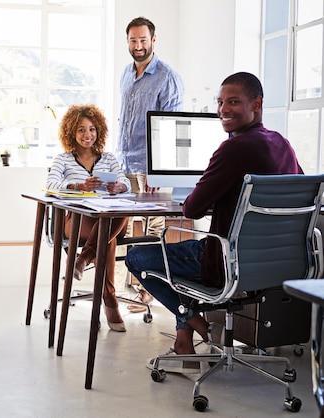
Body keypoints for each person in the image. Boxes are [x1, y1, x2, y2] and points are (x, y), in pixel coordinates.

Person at [125, 72, 303, 373]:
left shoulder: (233, 148)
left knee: (138, 256)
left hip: (227, 262)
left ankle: (195, 320)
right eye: (220, 102)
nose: (223, 110)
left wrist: (210, 187)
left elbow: (193, 209)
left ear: (256, 104)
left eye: (233, 102)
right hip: (273, 263)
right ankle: (184, 341)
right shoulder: (282, 143)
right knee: (183, 258)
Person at [117, 17, 185, 312]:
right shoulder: (125, 74)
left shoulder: (167, 77)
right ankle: (135, 282)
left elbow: (173, 125)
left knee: (153, 225)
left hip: (150, 164)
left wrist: (161, 167)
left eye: (143, 40)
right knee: (128, 224)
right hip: (126, 159)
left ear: (153, 41)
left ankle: (151, 290)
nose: (138, 46)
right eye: (133, 41)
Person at [47, 104, 132, 332]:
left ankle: (83, 258)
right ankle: (109, 299)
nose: (88, 135)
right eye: (82, 130)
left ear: (99, 131)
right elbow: (51, 185)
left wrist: (119, 186)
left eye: (92, 129)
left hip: (112, 218)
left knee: (114, 215)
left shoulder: (110, 158)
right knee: (107, 237)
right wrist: (78, 185)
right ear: (71, 133)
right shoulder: (63, 160)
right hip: (77, 221)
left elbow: (127, 183)